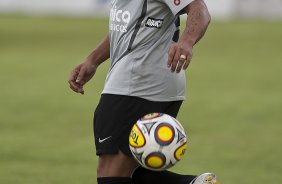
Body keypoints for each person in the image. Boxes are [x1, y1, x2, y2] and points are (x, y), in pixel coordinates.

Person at [68, 0, 217, 184]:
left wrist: (186, 42)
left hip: (138, 84)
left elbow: (199, 9)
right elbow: (126, 26)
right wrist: (92, 60)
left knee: (110, 172)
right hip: (151, 84)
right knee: (134, 169)